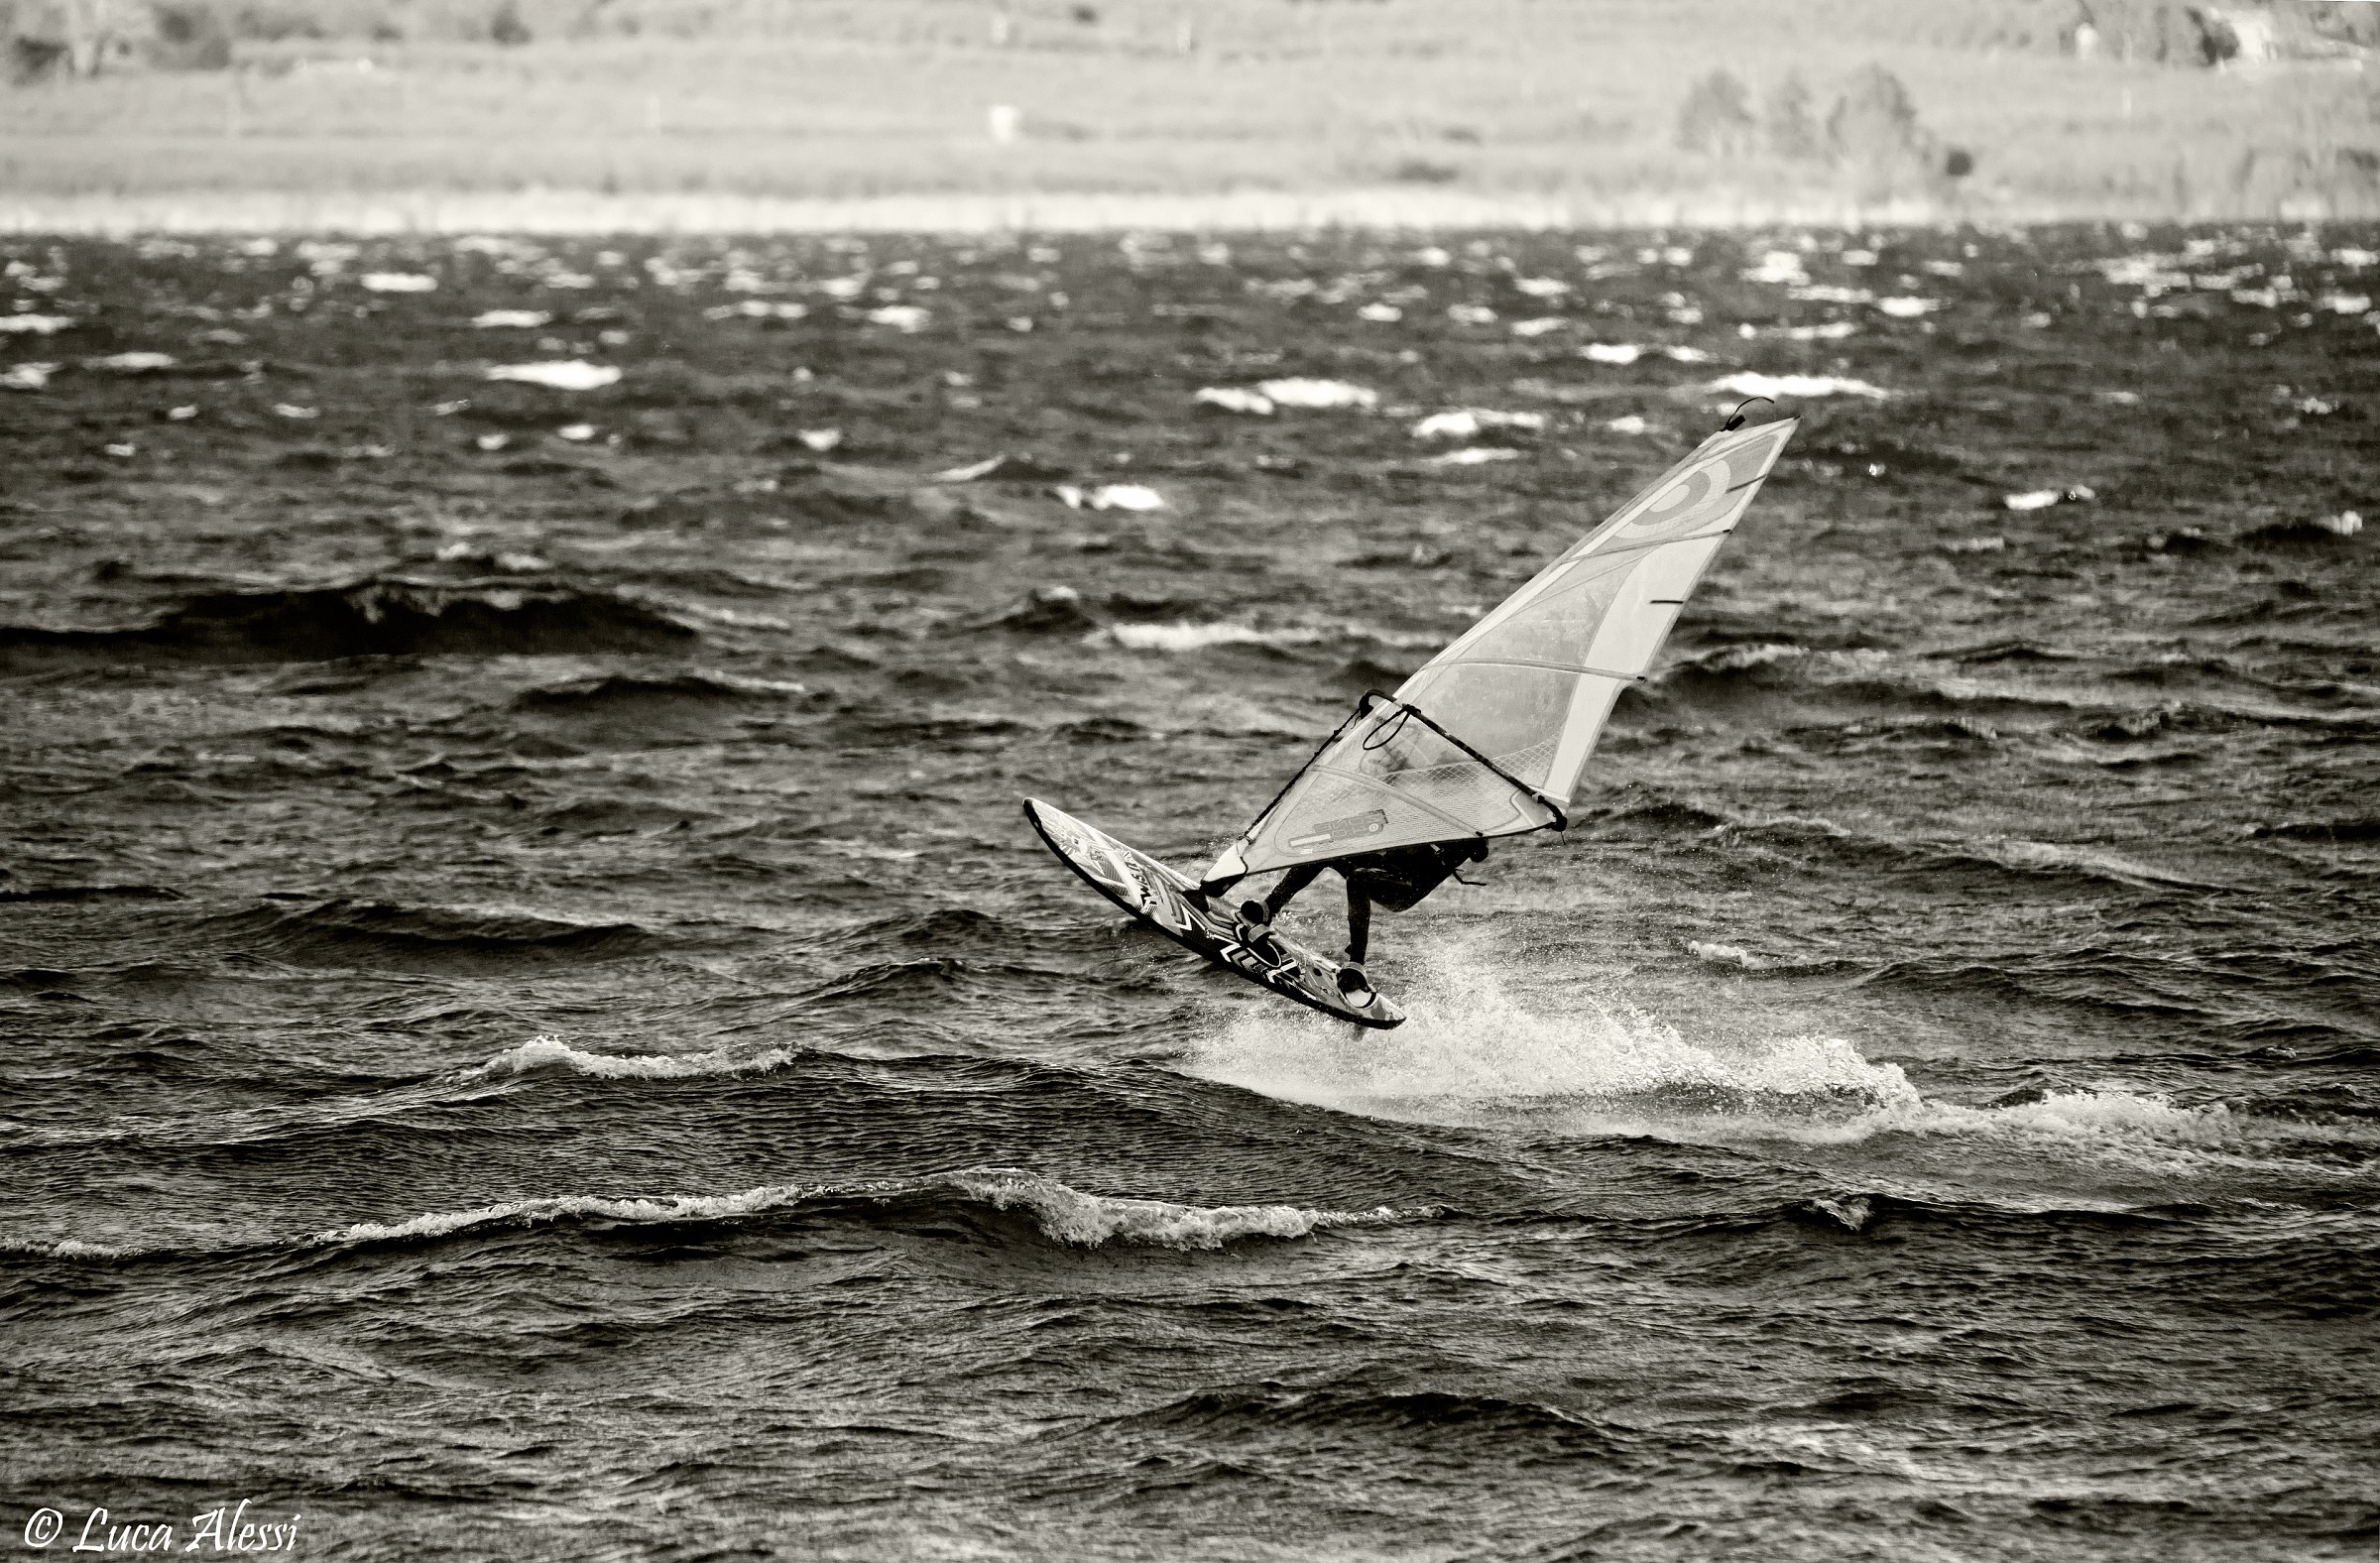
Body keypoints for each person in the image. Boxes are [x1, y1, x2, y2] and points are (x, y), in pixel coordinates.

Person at [1226, 838, 1488, 1005]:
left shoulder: (1464, 816)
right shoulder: (1428, 797)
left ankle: (1357, 964)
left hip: (1406, 886)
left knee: (1359, 878)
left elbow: (1480, 852)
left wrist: (1470, 839)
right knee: (1328, 849)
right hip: (1386, 865)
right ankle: (1269, 908)